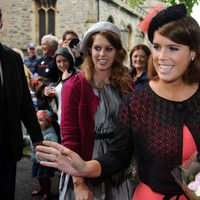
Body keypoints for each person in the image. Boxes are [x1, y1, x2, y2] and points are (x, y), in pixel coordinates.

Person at [36, 3, 200, 200]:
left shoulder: (124, 83)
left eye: (173, 48)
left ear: (193, 52)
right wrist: (83, 172)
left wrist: (192, 185)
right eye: (156, 47)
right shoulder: (138, 100)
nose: (161, 57)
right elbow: (119, 153)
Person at [40, 21, 133, 200]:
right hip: (82, 164)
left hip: (118, 166)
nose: (102, 54)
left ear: (117, 52)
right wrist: (79, 183)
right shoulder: (76, 86)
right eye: (97, 48)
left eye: (109, 49)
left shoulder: (126, 84)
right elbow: (69, 137)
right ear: (89, 50)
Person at [0, 8, 43, 200]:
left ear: (1, 22)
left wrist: (36, 136)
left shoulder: (13, 59)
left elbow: (24, 101)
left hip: (6, 144)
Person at [24, 110, 59, 200]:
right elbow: (31, 139)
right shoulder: (36, 131)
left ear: (47, 122)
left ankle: (47, 193)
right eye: (36, 120)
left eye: (40, 120)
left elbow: (55, 147)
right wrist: (26, 139)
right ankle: (42, 190)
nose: (37, 122)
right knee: (39, 177)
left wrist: (53, 158)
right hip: (37, 160)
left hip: (45, 161)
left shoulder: (51, 134)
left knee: (45, 177)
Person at [44, 47, 79, 125]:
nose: (62, 64)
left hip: (74, 122)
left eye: (65, 61)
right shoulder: (59, 76)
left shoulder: (78, 76)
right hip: (60, 121)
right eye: (58, 61)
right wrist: (47, 93)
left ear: (70, 60)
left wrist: (65, 81)